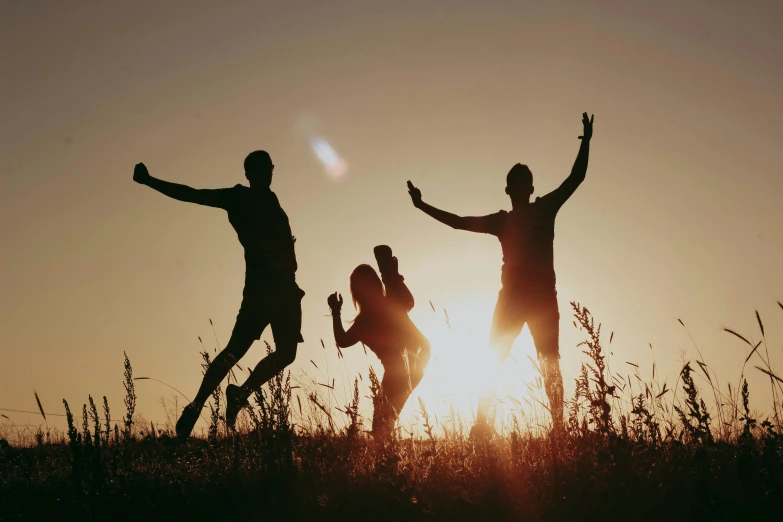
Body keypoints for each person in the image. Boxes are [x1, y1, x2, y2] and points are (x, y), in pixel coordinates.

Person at [407, 112, 594, 432]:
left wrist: (422, 205)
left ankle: (485, 425)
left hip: (518, 301)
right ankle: (552, 427)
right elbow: (575, 178)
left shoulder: (507, 219)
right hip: (536, 300)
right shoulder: (539, 210)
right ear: (528, 189)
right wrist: (586, 142)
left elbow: (457, 222)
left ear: (509, 190)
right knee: (546, 362)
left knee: (502, 360)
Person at [132, 150, 305, 441]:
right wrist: (150, 181)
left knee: (287, 353)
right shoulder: (238, 198)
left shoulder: (273, 202)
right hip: (261, 291)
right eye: (261, 171)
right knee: (233, 351)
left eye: (269, 170)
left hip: (286, 289)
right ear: (249, 174)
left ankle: (239, 393)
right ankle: (196, 405)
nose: (267, 175)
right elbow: (192, 194)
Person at [328, 245, 431, 440]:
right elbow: (408, 302)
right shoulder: (386, 306)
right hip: (409, 368)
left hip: (398, 372)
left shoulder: (368, 318)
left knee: (381, 429)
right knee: (383, 426)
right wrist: (392, 275)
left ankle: (388, 463)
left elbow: (342, 341)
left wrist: (335, 312)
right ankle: (389, 461)